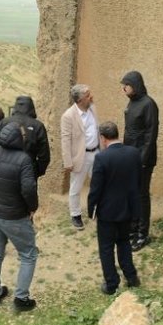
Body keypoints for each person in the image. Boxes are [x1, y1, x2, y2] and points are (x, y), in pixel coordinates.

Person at [0, 122, 39, 312]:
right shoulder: (24, 159)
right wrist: (32, 208)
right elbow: (29, 188)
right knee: (28, 255)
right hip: (15, 217)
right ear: (18, 139)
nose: (24, 138)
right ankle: (21, 298)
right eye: (23, 136)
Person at [87, 121, 141, 295]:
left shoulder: (102, 158)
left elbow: (95, 189)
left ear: (103, 138)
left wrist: (91, 210)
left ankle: (111, 283)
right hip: (128, 209)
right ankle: (131, 277)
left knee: (106, 248)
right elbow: (138, 182)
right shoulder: (134, 153)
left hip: (108, 212)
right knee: (124, 243)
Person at [120, 70, 159, 251]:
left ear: (135, 85)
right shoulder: (131, 103)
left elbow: (151, 134)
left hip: (142, 159)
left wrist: (143, 159)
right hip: (129, 155)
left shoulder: (148, 104)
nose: (124, 88)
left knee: (141, 195)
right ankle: (132, 230)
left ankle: (143, 234)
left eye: (126, 85)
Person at [60, 83, 99, 230]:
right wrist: (67, 161)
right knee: (76, 187)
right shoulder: (68, 116)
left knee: (98, 184)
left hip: (96, 154)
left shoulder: (92, 108)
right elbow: (65, 139)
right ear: (80, 100)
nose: (91, 96)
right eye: (88, 95)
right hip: (80, 156)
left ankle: (96, 211)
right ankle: (75, 215)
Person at [0, 95, 51, 180]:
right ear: (31, 107)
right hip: (28, 171)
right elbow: (44, 155)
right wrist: (35, 172)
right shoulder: (38, 126)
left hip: (4, 171)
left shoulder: (4, 122)